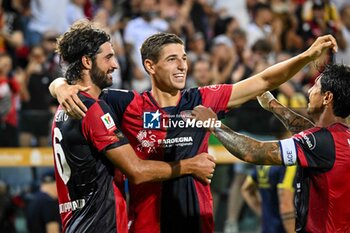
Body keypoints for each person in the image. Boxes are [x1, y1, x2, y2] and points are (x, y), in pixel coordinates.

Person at [50, 32, 337, 233]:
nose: (183, 65)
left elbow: (263, 80)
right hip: (148, 225)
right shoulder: (126, 104)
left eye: (184, 57)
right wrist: (60, 84)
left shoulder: (202, 99)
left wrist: (307, 56)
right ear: (150, 66)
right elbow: (82, 88)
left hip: (198, 220)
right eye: (173, 59)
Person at [51, 20, 215, 233]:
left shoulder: (64, 107)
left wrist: (58, 85)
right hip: (100, 225)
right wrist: (192, 165)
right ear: (87, 61)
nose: (115, 65)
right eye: (108, 57)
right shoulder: (91, 109)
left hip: (76, 224)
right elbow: (136, 170)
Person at [191, 63, 350, 232]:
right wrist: (273, 105)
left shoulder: (321, 143)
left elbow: (253, 152)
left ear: (327, 98)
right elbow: (311, 133)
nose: (309, 91)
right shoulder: (340, 137)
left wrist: (214, 125)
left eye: (315, 87)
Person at [241, 116, 296, 233]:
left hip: (267, 227)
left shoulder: (264, 159)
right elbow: (285, 201)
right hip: (283, 229)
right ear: (289, 129)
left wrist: (263, 212)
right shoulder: (289, 160)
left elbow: (245, 189)